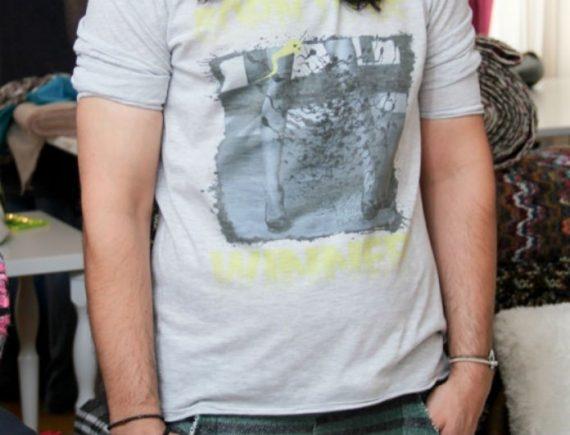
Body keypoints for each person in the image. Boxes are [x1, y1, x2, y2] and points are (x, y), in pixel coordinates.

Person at [71, 0, 498, 433]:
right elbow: (116, 207)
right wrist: (134, 415)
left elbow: (456, 172)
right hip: (214, 404)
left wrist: (473, 367)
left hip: (408, 392)